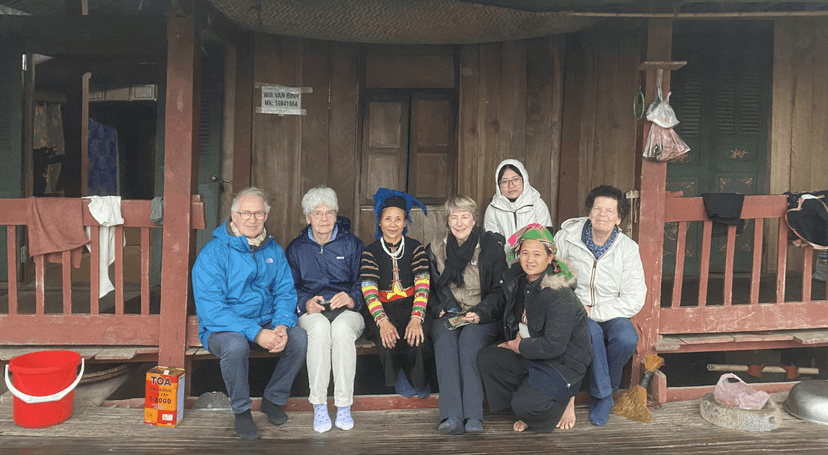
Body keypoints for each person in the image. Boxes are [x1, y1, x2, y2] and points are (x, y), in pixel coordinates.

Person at [192, 187, 308, 440]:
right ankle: (242, 411)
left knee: (298, 338)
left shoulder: (273, 249)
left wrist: (281, 324)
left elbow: (286, 292)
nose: (252, 219)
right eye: (246, 213)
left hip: (264, 321)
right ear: (234, 215)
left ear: (265, 216)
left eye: (258, 213)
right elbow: (212, 309)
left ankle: (272, 399)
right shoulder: (213, 253)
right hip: (222, 327)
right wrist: (256, 333)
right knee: (235, 346)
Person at [477, 224, 592, 433]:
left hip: (561, 363)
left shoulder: (559, 293)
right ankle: (525, 406)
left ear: (550, 257)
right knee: (488, 358)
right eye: (525, 253)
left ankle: (558, 403)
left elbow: (555, 347)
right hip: (534, 355)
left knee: (525, 404)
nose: (530, 260)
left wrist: (518, 347)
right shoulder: (520, 281)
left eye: (537, 254)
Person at [554, 185, 646, 428]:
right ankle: (604, 396)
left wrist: (595, 312)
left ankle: (604, 389)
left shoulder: (628, 249)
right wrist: (574, 306)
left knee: (626, 339)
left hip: (612, 310)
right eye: (597, 208)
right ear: (589, 212)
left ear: (619, 218)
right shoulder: (567, 238)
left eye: (610, 211)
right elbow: (554, 276)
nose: (602, 214)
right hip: (576, 307)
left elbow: (635, 297)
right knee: (591, 332)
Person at [426, 195, 507, 435]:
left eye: (465, 217)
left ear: (474, 220)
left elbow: (499, 291)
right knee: (445, 341)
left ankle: (473, 415)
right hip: (448, 313)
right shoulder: (435, 247)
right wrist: (437, 308)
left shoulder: (490, 246)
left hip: (482, 315)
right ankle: (451, 415)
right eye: (454, 217)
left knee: (470, 340)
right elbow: (427, 288)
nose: (460, 223)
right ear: (447, 221)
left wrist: (479, 313)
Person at [286, 187, 365, 433]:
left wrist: (352, 298)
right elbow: (289, 288)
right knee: (319, 330)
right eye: (317, 213)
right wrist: (305, 302)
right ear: (307, 217)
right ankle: (319, 404)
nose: (324, 218)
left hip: (347, 312)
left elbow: (365, 283)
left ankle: (343, 405)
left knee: (341, 330)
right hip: (314, 311)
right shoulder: (296, 248)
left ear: (335, 215)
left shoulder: (351, 244)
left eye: (329, 212)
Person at [360, 188, 432, 398]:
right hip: (381, 309)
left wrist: (416, 319)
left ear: (405, 222)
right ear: (380, 222)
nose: (393, 224)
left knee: (417, 337)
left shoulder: (416, 249)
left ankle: (417, 380)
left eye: (398, 219)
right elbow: (369, 291)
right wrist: (382, 322)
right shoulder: (370, 252)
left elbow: (423, 286)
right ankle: (398, 378)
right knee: (387, 340)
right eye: (387, 218)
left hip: (411, 306)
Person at [483, 159, 553, 252]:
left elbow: (546, 238)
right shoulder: (493, 209)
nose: (511, 185)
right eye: (504, 181)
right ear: (498, 184)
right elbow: (492, 243)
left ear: (524, 179)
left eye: (515, 179)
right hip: (502, 260)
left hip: (532, 260)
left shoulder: (536, 204)